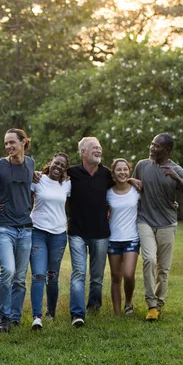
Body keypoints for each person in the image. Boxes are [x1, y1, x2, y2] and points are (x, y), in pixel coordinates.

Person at [132, 133, 183, 321]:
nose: (152, 148)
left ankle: (159, 304)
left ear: (167, 150)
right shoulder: (142, 166)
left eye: (157, 146)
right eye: (152, 144)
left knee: (163, 268)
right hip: (145, 221)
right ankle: (151, 304)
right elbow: (131, 188)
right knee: (149, 259)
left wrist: (177, 179)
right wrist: (128, 181)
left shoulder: (177, 170)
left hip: (167, 223)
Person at [0, 128, 35, 333]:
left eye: (12, 142)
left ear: (24, 142)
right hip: (4, 226)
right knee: (9, 271)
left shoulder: (30, 163)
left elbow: (32, 184)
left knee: (21, 278)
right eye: (6, 143)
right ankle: (3, 317)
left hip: (26, 227)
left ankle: (15, 316)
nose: (8, 146)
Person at [67, 137, 114, 328]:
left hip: (101, 232)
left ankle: (93, 307)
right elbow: (53, 178)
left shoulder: (107, 175)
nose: (99, 150)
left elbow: (121, 186)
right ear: (83, 153)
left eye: (100, 148)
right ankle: (77, 314)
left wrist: (132, 180)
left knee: (97, 277)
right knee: (78, 273)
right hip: (77, 231)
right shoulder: (72, 173)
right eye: (95, 148)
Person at [29, 153, 71, 331]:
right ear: (50, 163)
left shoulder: (68, 184)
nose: (58, 167)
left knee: (52, 276)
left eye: (62, 165)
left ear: (65, 169)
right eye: (56, 163)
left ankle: (50, 312)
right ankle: (37, 317)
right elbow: (25, 196)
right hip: (37, 232)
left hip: (59, 234)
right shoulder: (38, 179)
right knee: (39, 274)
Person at [106, 158, 141, 316]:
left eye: (125, 169)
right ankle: (117, 312)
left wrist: (172, 203)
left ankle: (128, 302)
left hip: (131, 238)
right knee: (115, 276)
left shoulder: (137, 190)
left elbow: (154, 199)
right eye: (119, 170)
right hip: (113, 239)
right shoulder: (108, 193)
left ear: (129, 171)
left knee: (128, 274)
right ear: (113, 173)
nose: (122, 172)